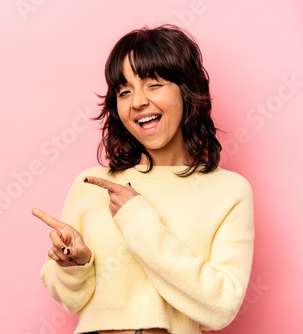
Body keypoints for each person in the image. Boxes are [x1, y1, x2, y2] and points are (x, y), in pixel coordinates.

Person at [31, 24, 254, 334]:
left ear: (187, 90)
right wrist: (75, 266)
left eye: (153, 84)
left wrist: (138, 219)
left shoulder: (230, 192)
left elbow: (220, 308)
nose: (137, 102)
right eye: (124, 91)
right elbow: (72, 300)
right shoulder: (91, 184)